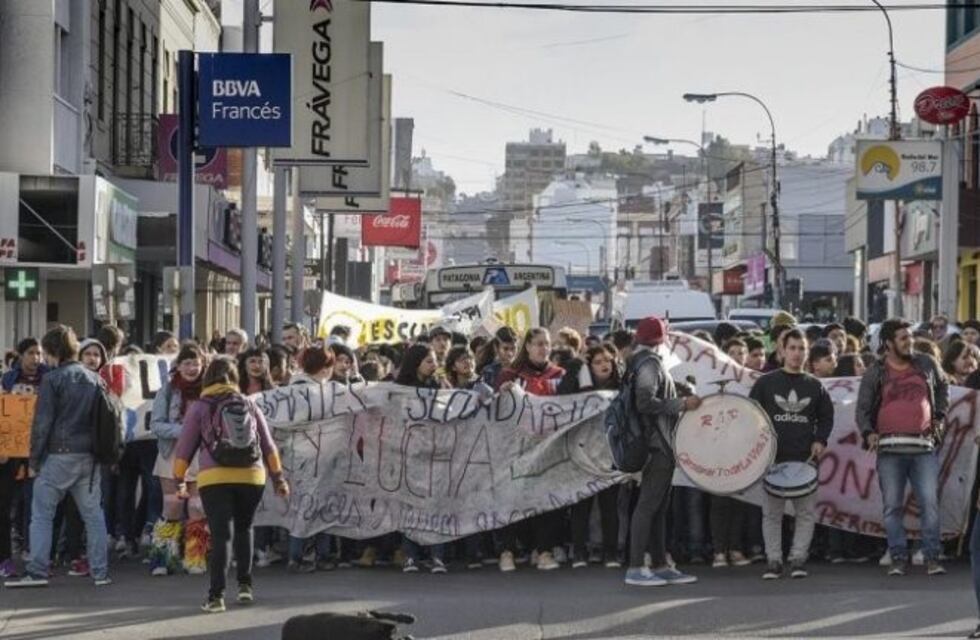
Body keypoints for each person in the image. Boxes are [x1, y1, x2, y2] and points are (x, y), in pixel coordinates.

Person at [173, 355, 288, 613]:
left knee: (221, 534)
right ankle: (245, 587)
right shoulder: (248, 403)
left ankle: (216, 597)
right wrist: (278, 477)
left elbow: (184, 448)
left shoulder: (201, 406)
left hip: (215, 477)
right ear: (235, 378)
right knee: (245, 528)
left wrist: (179, 480)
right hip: (252, 475)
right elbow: (268, 444)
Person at [5, 325, 111, 588]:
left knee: (41, 514)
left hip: (58, 454)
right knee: (93, 514)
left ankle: (38, 570)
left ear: (52, 351)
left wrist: (34, 460)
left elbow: (42, 424)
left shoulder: (52, 380)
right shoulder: (95, 379)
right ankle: (100, 571)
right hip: (89, 455)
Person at [858, 318, 949, 577]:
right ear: (888, 343)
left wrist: (940, 416)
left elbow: (943, 387)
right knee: (892, 506)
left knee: (929, 504)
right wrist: (868, 432)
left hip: (923, 447)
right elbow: (862, 409)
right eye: (903, 338)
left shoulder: (926, 364)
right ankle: (898, 556)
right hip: (889, 449)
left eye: (909, 337)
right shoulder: (875, 371)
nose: (909, 342)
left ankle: (932, 556)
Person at [749, 328, 833, 580]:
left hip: (804, 460)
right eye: (792, 348)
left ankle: (798, 559)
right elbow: (751, 414)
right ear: (782, 350)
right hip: (773, 458)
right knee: (772, 514)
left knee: (805, 514)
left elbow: (826, 417)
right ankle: (773, 561)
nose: (797, 353)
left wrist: (820, 440)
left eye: (801, 349)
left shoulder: (815, 386)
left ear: (806, 353)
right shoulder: (765, 383)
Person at [624, 316, 701, 587]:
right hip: (657, 445)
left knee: (657, 508)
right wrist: (681, 403)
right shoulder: (650, 363)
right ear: (661, 339)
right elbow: (645, 402)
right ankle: (636, 567)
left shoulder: (639, 362)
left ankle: (659, 564)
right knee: (648, 507)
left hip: (653, 444)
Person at [495, 328, 567, 572]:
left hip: (549, 449)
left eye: (547, 344)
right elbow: (494, 413)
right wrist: (501, 395)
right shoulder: (510, 375)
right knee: (513, 500)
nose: (543, 348)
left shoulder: (560, 375)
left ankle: (544, 551)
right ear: (527, 346)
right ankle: (507, 551)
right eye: (538, 344)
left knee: (545, 501)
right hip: (516, 451)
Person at [560, 344, 622, 569]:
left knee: (609, 507)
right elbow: (561, 398)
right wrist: (576, 366)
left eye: (608, 360)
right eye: (597, 361)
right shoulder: (579, 388)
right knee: (581, 506)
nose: (605, 364)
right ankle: (579, 552)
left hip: (610, 455)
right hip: (582, 454)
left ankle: (611, 553)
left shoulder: (621, 387)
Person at [148, 344, 207, 576]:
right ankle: (162, 559)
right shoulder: (168, 391)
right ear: (178, 366)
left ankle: (195, 557)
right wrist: (185, 431)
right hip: (172, 455)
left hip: (201, 457)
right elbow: (156, 425)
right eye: (187, 363)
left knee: (197, 507)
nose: (192, 368)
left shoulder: (209, 392)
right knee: (172, 505)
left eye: (196, 363)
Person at [395, 343, 450, 573]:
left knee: (435, 506)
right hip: (408, 454)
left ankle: (437, 556)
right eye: (429, 361)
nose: (434, 365)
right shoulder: (401, 388)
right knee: (409, 507)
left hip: (433, 454)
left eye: (435, 360)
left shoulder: (438, 385)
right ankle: (410, 555)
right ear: (416, 363)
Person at [0, 337, 50, 579]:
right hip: (11, 450)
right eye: (31, 353)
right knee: (6, 503)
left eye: (39, 353)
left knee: (36, 503)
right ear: (20, 356)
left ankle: (35, 551)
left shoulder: (49, 377)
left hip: (39, 449)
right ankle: (5, 558)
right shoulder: (8, 379)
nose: (36, 358)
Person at [286, 345, 336, 573]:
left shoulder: (293, 388)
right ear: (325, 368)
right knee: (314, 505)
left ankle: (304, 554)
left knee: (306, 504)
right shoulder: (312, 391)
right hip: (313, 452)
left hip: (301, 452)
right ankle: (305, 555)